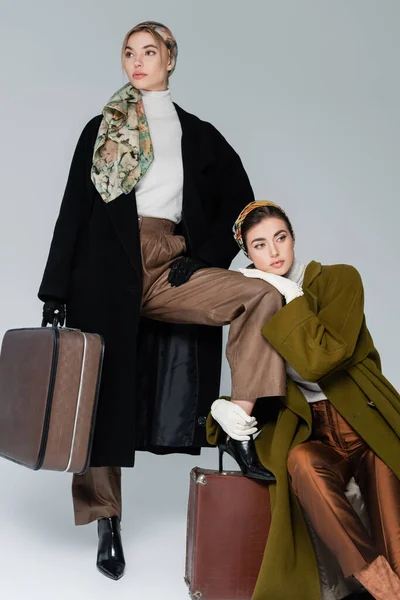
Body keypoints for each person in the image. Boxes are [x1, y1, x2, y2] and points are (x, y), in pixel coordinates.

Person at [38, 23, 287, 580]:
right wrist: (55, 291)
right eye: (129, 53)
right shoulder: (101, 131)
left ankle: (241, 426)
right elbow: (73, 212)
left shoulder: (198, 135)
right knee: (99, 397)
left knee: (259, 297)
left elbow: (241, 206)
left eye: (149, 52)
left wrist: (201, 256)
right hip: (105, 269)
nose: (137, 61)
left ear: (171, 59)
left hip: (171, 264)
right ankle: (105, 517)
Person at [208, 201, 400, 600]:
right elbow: (252, 373)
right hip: (311, 428)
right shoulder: (255, 304)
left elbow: (320, 360)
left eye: (280, 238)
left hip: (365, 422)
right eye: (260, 245)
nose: (274, 252)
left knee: (393, 520)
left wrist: (290, 293)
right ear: (248, 254)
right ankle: (382, 589)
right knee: (301, 463)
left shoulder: (339, 280)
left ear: (293, 239)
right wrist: (224, 406)